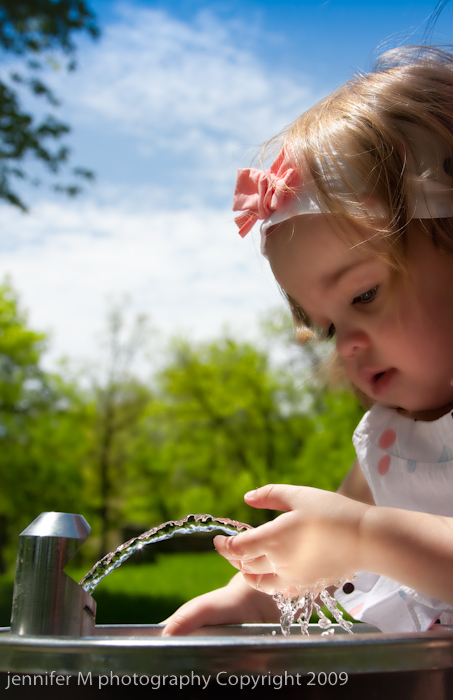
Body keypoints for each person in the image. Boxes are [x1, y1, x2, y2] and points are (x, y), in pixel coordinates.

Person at [162, 46, 453, 636]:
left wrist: (361, 534)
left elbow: (354, 536)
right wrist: (249, 597)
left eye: (364, 295)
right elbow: (323, 561)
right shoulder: (389, 442)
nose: (345, 345)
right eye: (326, 326)